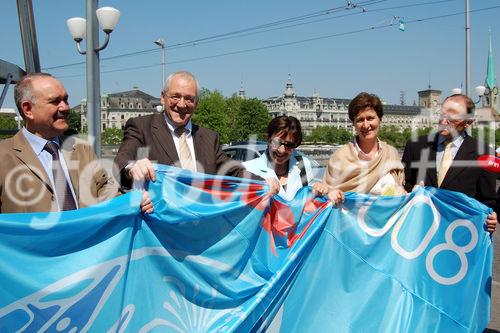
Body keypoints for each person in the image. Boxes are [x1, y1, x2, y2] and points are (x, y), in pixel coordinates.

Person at [114, 71, 279, 194]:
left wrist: (263, 182)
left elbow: (232, 170)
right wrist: (132, 166)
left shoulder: (209, 137)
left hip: (199, 229)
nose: (182, 104)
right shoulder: (142, 126)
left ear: (196, 103)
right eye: (175, 97)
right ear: (163, 97)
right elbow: (121, 159)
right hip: (157, 229)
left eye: (189, 99)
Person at [0, 73, 126, 213]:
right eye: (55, 101)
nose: (65, 108)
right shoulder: (3, 155)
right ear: (28, 109)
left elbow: (104, 192)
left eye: (66, 100)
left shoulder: (82, 148)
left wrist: (131, 202)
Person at [402, 93, 497, 232]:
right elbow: (404, 186)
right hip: (420, 231)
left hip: (459, 234)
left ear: (468, 122)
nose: (444, 121)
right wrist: (413, 192)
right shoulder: (416, 145)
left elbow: (487, 200)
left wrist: (492, 215)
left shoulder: (484, 153)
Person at [320, 92, 405, 196]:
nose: (366, 125)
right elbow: (326, 195)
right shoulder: (340, 157)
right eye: (360, 120)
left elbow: (399, 187)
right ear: (353, 124)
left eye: (370, 118)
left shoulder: (391, 153)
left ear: (380, 119)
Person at [243, 116, 330, 201]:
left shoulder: (303, 164)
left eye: (289, 145)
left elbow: (309, 196)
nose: (282, 150)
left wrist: (318, 190)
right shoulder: (248, 169)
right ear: (267, 139)